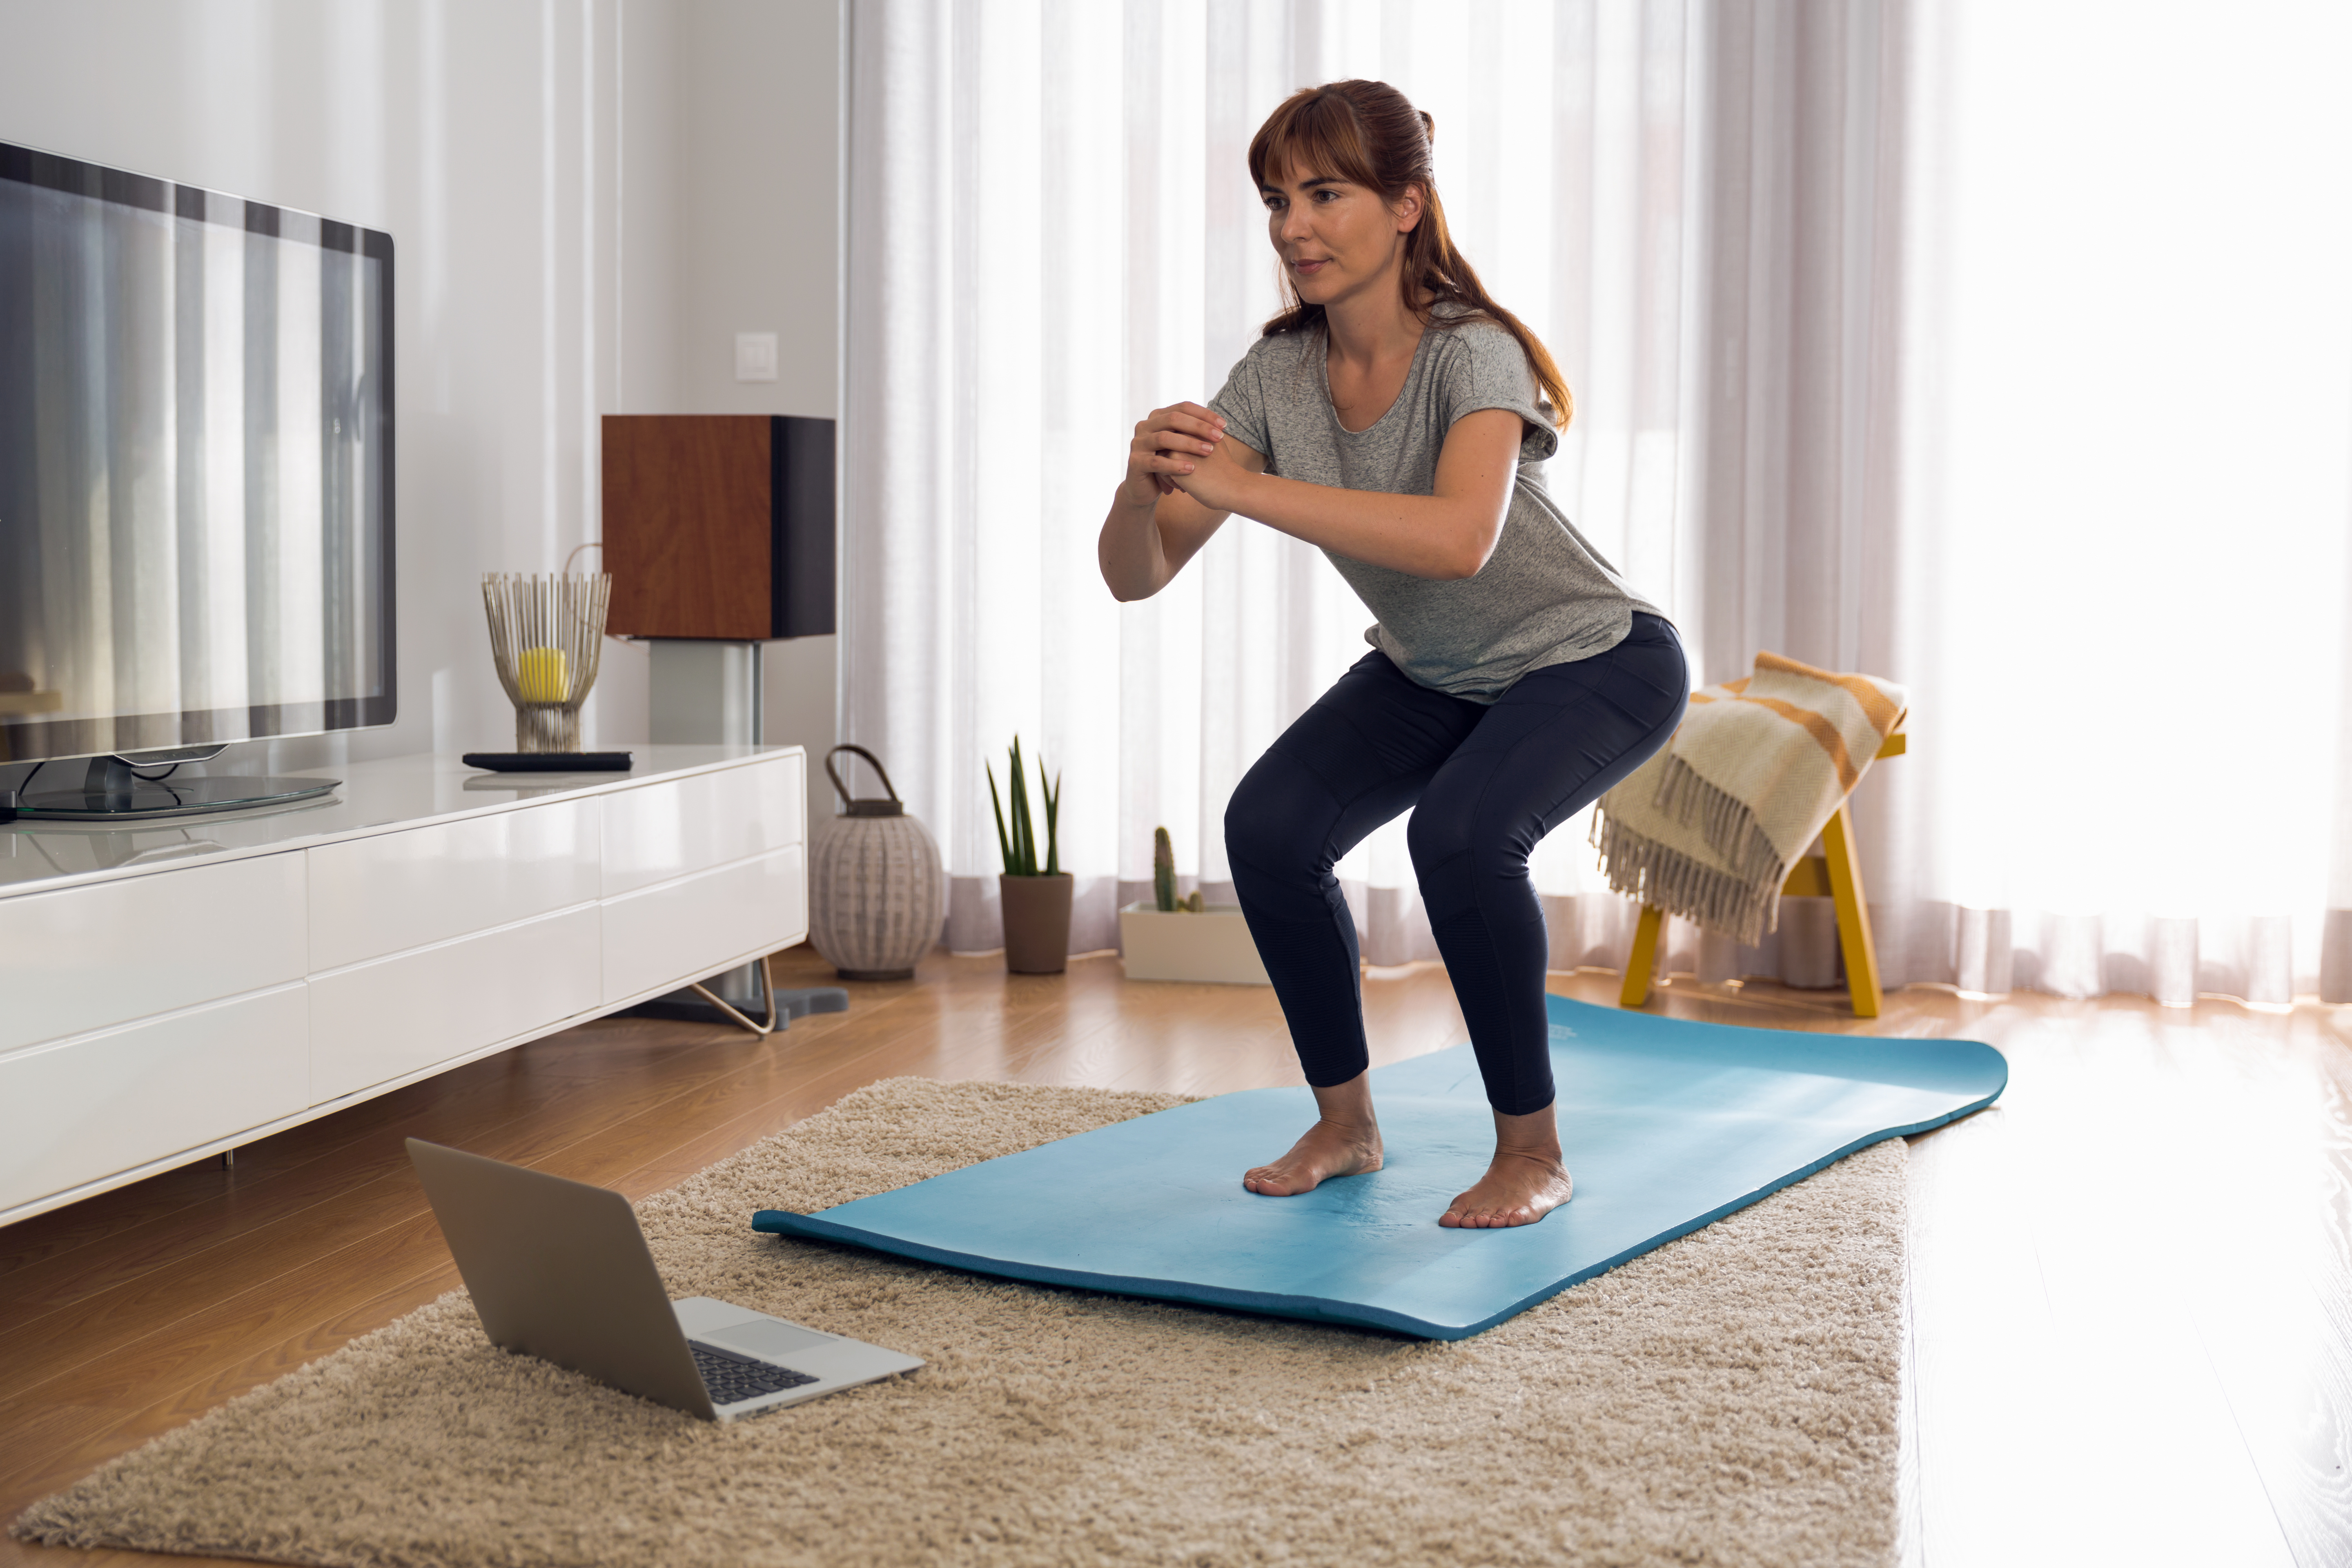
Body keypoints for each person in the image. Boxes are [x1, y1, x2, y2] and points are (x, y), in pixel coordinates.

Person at [1096, 80, 1687, 1229]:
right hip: (1437, 674)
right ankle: (1346, 1122)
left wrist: (1250, 487)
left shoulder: (1477, 353)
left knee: (1461, 837)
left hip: (1593, 657)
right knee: (1269, 829)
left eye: (1326, 194)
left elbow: (1460, 541)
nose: (1292, 227)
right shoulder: (1274, 377)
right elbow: (1139, 571)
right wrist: (1139, 486)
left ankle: (1532, 1151)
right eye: (1277, 199)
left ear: (1408, 204)